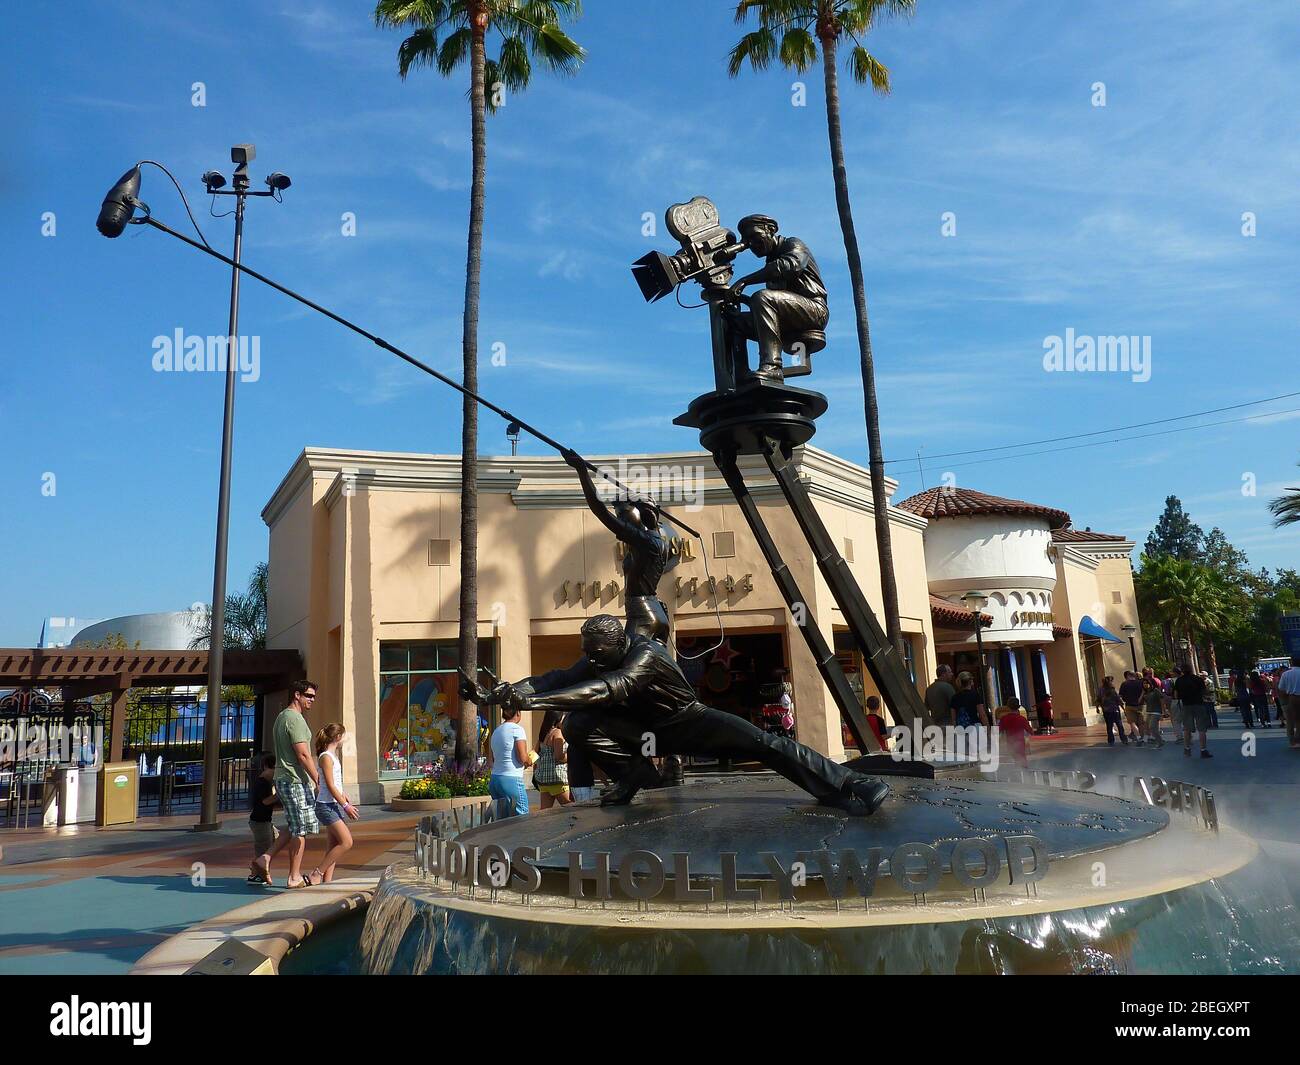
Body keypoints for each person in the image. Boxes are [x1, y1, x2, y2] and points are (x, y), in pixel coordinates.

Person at [478, 614, 889, 815]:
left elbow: (611, 689)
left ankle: (851, 783)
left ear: (616, 643)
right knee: (582, 724)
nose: (588, 657)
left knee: (766, 744)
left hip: (690, 722)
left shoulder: (644, 654)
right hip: (646, 730)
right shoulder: (601, 659)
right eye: (586, 650)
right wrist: (510, 690)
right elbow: (556, 677)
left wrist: (536, 702)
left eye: (594, 650)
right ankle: (634, 775)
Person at [562, 448, 670, 643]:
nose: (621, 520)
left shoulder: (646, 542)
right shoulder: (656, 540)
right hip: (654, 611)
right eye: (620, 516)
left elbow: (600, 511)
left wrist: (581, 471)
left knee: (622, 662)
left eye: (623, 514)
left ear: (645, 514)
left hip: (643, 615)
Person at [267, 679, 321, 889]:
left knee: (294, 826)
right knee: (300, 830)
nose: (312, 700)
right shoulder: (295, 719)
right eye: (308, 696)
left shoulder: (282, 717)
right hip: (294, 780)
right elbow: (303, 754)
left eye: (314, 697)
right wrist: (318, 779)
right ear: (297, 695)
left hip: (287, 778)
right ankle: (294, 877)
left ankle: (265, 858)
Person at [308, 723, 360, 885]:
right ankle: (317, 874)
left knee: (334, 845)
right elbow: (329, 785)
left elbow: (333, 783)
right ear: (337, 737)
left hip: (332, 804)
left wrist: (343, 795)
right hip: (325, 805)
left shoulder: (332, 756)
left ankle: (327, 881)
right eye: (343, 735)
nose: (345, 738)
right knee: (346, 842)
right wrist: (346, 806)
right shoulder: (326, 757)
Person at [247, 753, 286, 886]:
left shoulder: (266, 782)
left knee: (275, 841)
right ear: (266, 767)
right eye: (274, 770)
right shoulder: (262, 782)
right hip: (259, 821)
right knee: (263, 848)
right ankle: (258, 874)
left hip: (264, 821)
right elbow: (265, 801)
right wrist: (280, 794)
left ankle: (256, 869)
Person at [487, 700, 532, 816]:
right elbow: (522, 757)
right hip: (511, 779)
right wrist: (529, 761)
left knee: (502, 819)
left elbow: (491, 759)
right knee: (522, 816)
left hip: (495, 779)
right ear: (517, 713)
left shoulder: (496, 731)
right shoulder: (517, 729)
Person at [532, 709, 571, 809]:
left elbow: (534, 754)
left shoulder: (543, 735)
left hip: (543, 781)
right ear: (558, 718)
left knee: (544, 813)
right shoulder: (557, 733)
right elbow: (559, 756)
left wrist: (538, 767)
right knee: (571, 809)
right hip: (558, 779)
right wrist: (571, 757)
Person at [1173, 665, 1212, 758]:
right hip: (1198, 704)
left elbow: (1176, 694)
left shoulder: (1179, 681)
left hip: (1186, 706)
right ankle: (1203, 750)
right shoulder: (1197, 679)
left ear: (1182, 671)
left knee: (1187, 729)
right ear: (1191, 670)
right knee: (1201, 729)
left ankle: (1187, 749)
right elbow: (1205, 692)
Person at [996, 697, 1032, 768]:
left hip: (1010, 744)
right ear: (1018, 707)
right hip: (1021, 744)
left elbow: (999, 731)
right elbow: (1030, 731)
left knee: (1014, 761)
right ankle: (1025, 775)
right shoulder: (1022, 719)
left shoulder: (1004, 719)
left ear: (1008, 707)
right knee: (1022, 762)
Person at [1118, 670, 1147, 745]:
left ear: (1127, 676)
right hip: (1141, 705)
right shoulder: (1140, 683)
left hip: (1129, 705)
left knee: (1132, 723)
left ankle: (1138, 737)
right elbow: (1145, 692)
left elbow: (1120, 696)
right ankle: (1142, 738)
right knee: (1141, 723)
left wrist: (1122, 704)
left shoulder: (1124, 684)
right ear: (1134, 676)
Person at [1097, 676, 1127, 746]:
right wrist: (1124, 709)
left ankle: (1111, 741)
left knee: (1109, 726)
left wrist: (1097, 708)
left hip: (1106, 710)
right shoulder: (1112, 689)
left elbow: (1098, 699)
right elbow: (1118, 700)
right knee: (1119, 725)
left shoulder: (1101, 689)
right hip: (1115, 710)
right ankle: (1124, 739)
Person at [1279, 654, 1300, 749]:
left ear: (1292, 663)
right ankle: (1298, 738)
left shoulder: (1286, 674)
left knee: (1291, 720)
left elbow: (1281, 688)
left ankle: (1292, 741)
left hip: (1291, 697)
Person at [1141, 678, 1166, 748]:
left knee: (1152, 726)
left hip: (1156, 711)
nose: (1145, 685)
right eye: (1144, 683)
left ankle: (1159, 741)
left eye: (1147, 683)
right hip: (1149, 711)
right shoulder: (1145, 693)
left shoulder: (1155, 691)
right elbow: (1139, 701)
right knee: (1147, 728)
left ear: (1150, 684)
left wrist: (1163, 711)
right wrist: (1142, 693)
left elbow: (1162, 700)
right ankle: (1158, 739)